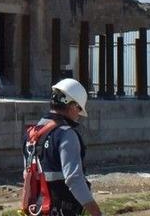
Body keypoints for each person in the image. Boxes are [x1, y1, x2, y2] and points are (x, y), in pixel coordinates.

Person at [22, 78, 102, 216]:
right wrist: (96, 213)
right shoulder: (66, 135)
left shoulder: (32, 134)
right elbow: (74, 180)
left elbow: (27, 176)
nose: (78, 115)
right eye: (79, 109)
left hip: (36, 210)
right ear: (72, 106)